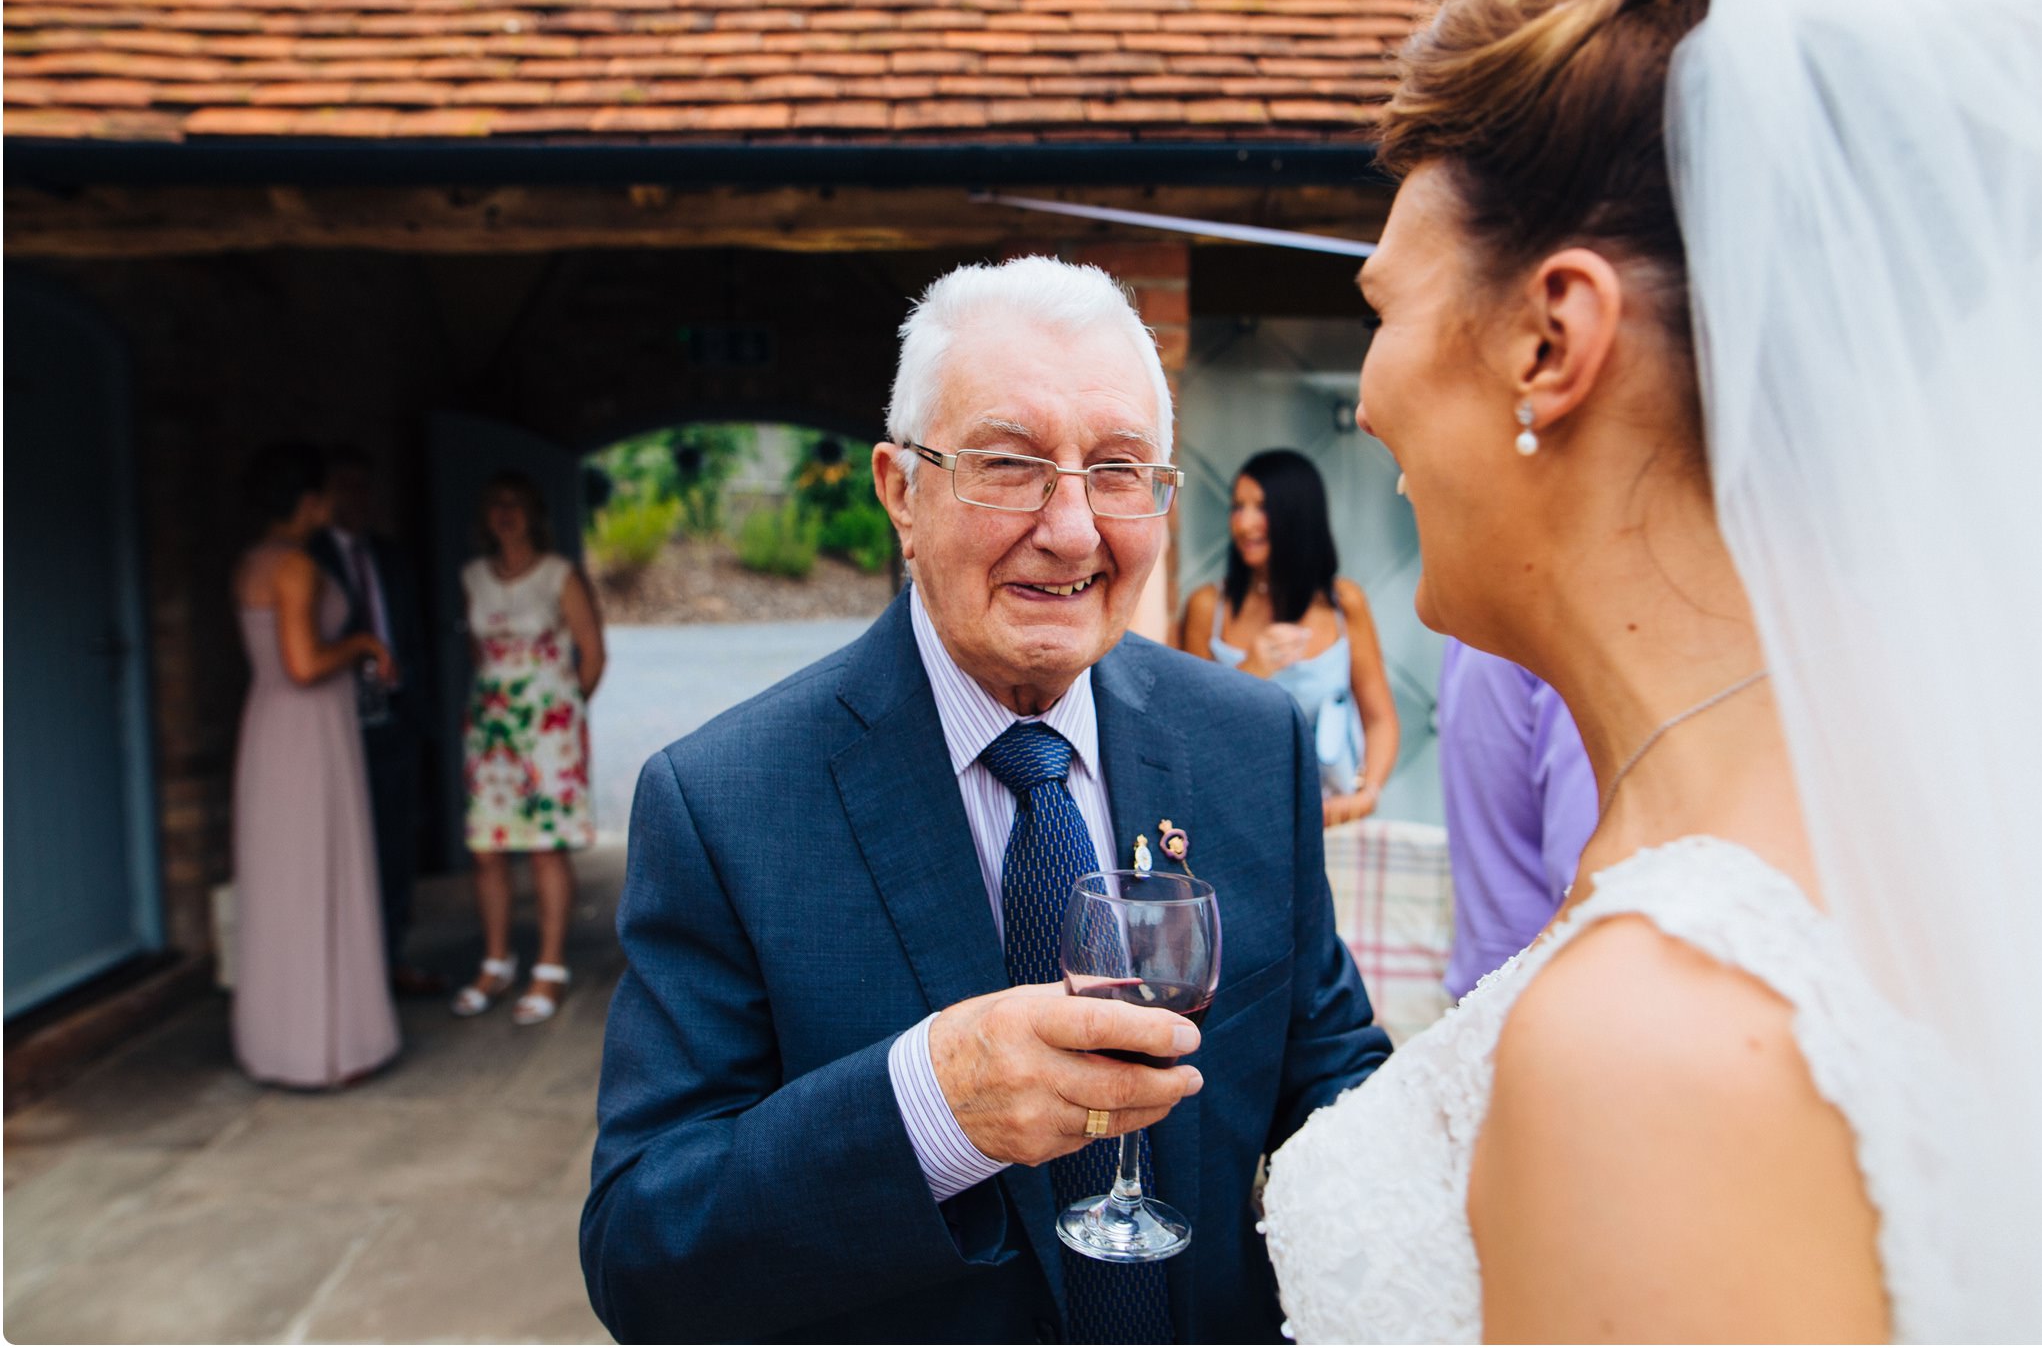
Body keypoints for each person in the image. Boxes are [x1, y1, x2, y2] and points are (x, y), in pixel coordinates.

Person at [1263, 0, 2042, 1343]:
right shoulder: (1949, 827)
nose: (1366, 400)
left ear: (1553, 339)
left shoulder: (1656, 1038)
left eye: (1384, 312)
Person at [581, 256, 1391, 1343]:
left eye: (1117, 470)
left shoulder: (1250, 742)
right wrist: (932, 1107)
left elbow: (1328, 1067)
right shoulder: (725, 801)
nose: (1073, 530)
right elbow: (644, 1250)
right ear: (899, 492)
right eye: (1009, 465)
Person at [229, 441, 402, 1088]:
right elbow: (303, 665)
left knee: (284, 883)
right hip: (307, 730)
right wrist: (362, 642)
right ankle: (326, 1049)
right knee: (317, 876)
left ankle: (279, 1044)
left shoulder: (252, 561)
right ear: (309, 501)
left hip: (269, 728)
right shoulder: (297, 567)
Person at [451, 472, 606, 1027]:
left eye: (516, 503)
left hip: (547, 728)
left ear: (533, 513)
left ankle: (549, 966)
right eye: (497, 502)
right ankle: (495, 962)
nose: (506, 512)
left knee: (545, 846)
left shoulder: (559, 574)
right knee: (487, 848)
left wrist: (562, 713)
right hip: (491, 727)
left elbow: (592, 653)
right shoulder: (472, 577)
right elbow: (478, 652)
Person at [1178, 449, 1400, 826]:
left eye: (1261, 507)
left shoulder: (1345, 604)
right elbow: (1190, 729)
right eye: (1238, 507)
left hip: (1332, 822)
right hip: (1238, 819)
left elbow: (1380, 720)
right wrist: (1251, 669)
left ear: (1298, 515)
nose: (1244, 523)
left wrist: (1365, 794)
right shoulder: (1207, 607)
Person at [307, 444, 443, 998]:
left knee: (394, 845)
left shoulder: (390, 555)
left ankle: (390, 958)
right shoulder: (308, 558)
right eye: (345, 486)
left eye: (365, 486)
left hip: (396, 718)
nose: (357, 497)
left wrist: (418, 704)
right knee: (338, 846)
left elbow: (413, 632)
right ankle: (344, 973)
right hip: (332, 720)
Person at [1435, 637, 1596, 998]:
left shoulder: (1472, 633)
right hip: (1561, 987)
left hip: (1488, 982)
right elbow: (1588, 882)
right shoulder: (1567, 642)